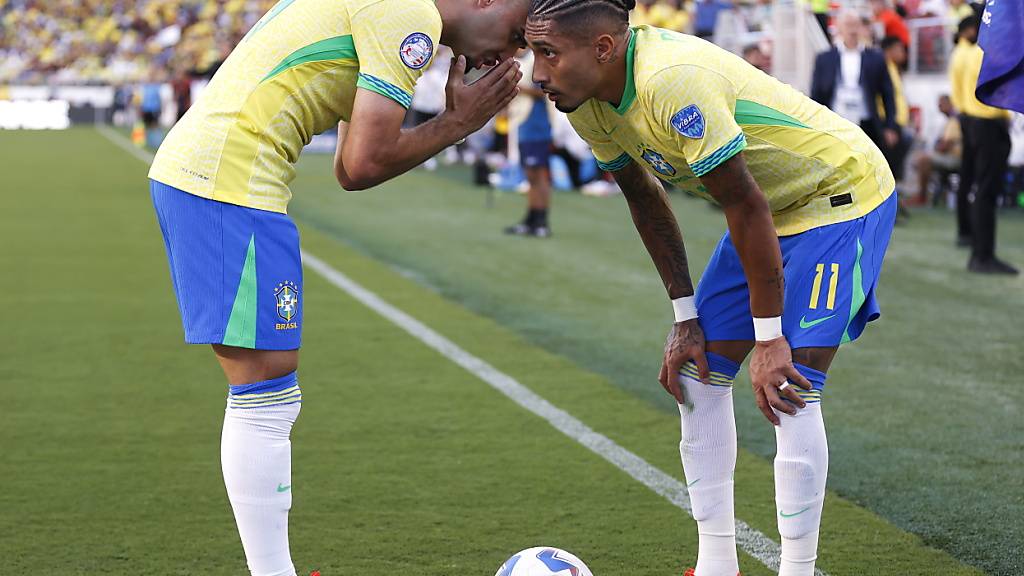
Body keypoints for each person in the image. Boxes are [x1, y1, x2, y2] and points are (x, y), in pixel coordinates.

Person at [146, 1, 527, 575]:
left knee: (271, 385)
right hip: (228, 180)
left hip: (221, 177)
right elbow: (368, 162)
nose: (514, 52)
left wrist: (455, 123)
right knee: (265, 391)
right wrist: (457, 124)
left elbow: (349, 168)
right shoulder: (410, 19)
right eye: (518, 31)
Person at [524, 2, 897, 576]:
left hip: (837, 196)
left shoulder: (672, 82)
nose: (537, 74)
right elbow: (645, 200)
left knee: (790, 380)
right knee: (696, 374)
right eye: (533, 53)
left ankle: (797, 569)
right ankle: (717, 563)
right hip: (767, 207)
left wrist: (770, 338)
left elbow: (742, 203)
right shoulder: (587, 102)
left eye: (548, 54)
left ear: (602, 49)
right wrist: (684, 316)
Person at [948, 15, 1018, 274]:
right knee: (987, 190)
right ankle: (982, 255)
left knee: (977, 185)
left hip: (973, 120)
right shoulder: (982, 52)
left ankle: (977, 246)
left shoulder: (963, 52)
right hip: (987, 122)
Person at [811, 11, 900, 154]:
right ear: (839, 27)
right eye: (848, 25)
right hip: (835, 121)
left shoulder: (876, 58)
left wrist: (890, 126)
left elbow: (888, 94)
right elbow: (816, 94)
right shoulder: (824, 59)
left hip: (866, 122)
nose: (852, 30)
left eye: (855, 25)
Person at [506, 49, 555, 237]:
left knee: (539, 173)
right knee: (531, 174)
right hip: (524, 121)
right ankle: (532, 218)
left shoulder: (536, 59)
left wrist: (515, 87)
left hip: (536, 122)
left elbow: (542, 91)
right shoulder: (527, 59)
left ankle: (541, 221)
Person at [913, 94, 962, 205]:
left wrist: (937, 147)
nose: (939, 106)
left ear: (949, 104)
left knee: (923, 160)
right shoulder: (949, 120)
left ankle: (922, 196)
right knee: (922, 158)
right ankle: (933, 195)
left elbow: (946, 146)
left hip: (955, 158)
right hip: (950, 156)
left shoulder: (955, 119)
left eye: (941, 104)